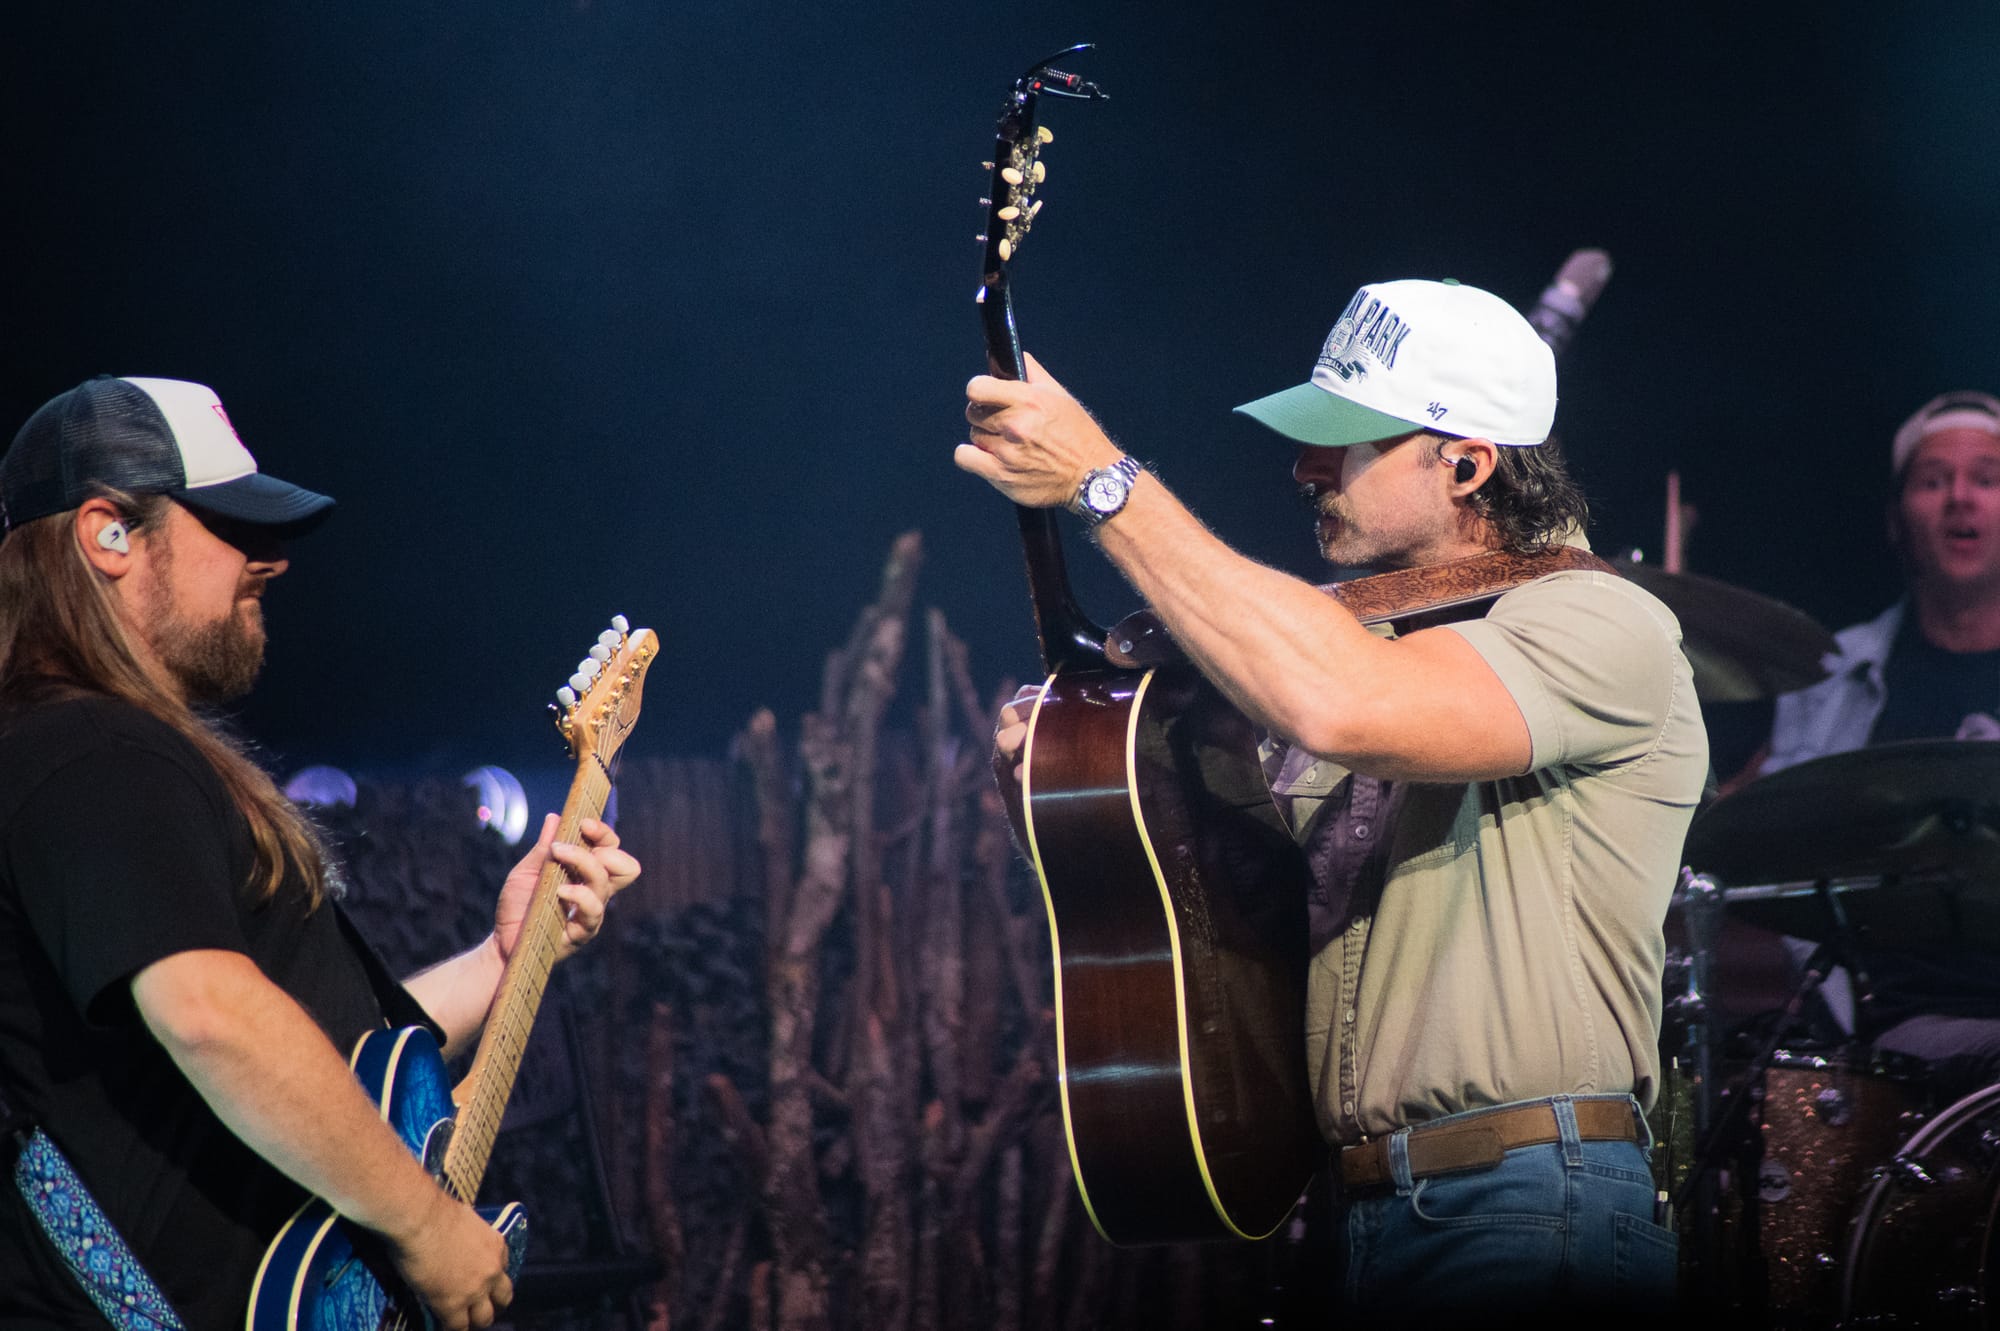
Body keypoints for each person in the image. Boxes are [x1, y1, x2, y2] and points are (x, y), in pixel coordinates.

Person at [960, 278, 1706, 1317]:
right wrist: (1066, 787)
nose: (1305, 467)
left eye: (1343, 442)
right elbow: (1218, 917)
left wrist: (1103, 482)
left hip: (1527, 1199)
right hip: (1359, 1212)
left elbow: (1344, 704)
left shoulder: (1599, 623)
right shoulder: (1356, 645)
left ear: (1466, 463)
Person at [0, 376, 639, 1331]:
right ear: (109, 534)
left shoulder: (87, 755)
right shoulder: (92, 746)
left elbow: (326, 1063)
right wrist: (426, 1223)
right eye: (230, 525)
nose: (272, 559)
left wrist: (504, 956)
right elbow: (214, 1015)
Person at [1755, 389, 2000, 1097]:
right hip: (1887, 1037)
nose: (1960, 498)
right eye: (1933, 480)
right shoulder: (1830, 676)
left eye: (1988, 478)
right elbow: (1774, 860)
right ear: (1897, 520)